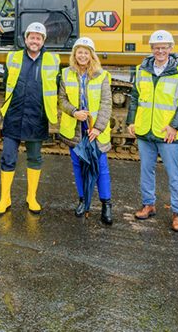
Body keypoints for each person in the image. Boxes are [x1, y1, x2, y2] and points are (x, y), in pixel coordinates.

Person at [125, 30, 178, 232]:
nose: (160, 51)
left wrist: (175, 125)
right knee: (146, 170)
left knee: (174, 174)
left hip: (167, 133)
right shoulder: (141, 70)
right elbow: (135, 98)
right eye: (157, 48)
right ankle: (148, 204)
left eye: (164, 47)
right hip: (145, 130)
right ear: (152, 49)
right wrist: (131, 120)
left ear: (171, 49)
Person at [0, 22, 60, 215]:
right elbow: (7, 83)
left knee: (35, 158)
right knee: (7, 158)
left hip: (37, 117)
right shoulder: (13, 57)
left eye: (38, 38)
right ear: (26, 39)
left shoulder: (51, 60)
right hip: (14, 115)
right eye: (32, 37)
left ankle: (32, 197)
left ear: (43, 41)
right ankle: (5, 198)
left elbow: (54, 86)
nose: (35, 41)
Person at [59, 36, 114, 225]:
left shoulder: (102, 75)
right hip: (75, 129)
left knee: (101, 168)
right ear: (75, 54)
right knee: (78, 167)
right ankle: (83, 201)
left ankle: (106, 204)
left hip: (94, 131)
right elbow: (62, 100)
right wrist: (74, 112)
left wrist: (98, 128)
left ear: (92, 55)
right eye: (79, 52)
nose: (82, 55)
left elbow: (107, 103)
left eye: (86, 52)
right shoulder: (66, 74)